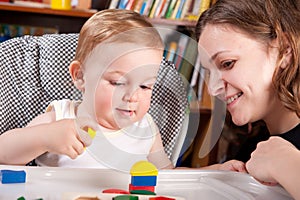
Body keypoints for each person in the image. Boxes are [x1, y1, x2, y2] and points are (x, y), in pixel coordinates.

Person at [0, 9, 245, 172]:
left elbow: (168, 178)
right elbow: (4, 153)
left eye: (145, 85)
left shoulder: (147, 129)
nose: (132, 96)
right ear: (80, 76)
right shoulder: (62, 117)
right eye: (117, 82)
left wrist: (212, 173)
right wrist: (43, 137)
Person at [196, 0, 300, 198]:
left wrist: (284, 162)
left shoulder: (278, 155)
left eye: (227, 63)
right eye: (209, 73)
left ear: (284, 50)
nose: (213, 88)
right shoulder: (250, 147)